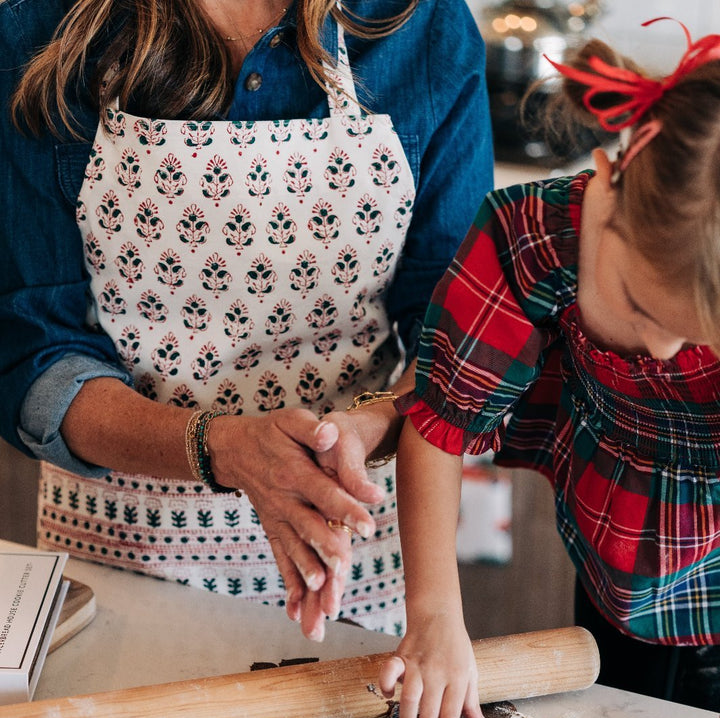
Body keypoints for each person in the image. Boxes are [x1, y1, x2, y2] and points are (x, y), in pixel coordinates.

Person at [0, 0, 493, 642]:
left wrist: (365, 427)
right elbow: (34, 354)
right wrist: (226, 449)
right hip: (122, 559)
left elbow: (458, 343)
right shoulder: (43, 31)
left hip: (348, 556)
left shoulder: (420, 25)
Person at [379, 18, 720, 718]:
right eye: (640, 306)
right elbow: (439, 425)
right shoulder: (522, 239)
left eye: (692, 336)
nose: (664, 353)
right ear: (609, 174)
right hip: (610, 578)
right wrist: (434, 616)